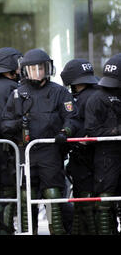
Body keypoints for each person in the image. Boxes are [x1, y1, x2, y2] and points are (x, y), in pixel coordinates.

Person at [1, 48, 80, 235]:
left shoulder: (59, 92)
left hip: (50, 151)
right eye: (33, 69)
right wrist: (18, 124)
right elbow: (4, 124)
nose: (38, 72)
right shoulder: (17, 94)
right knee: (25, 195)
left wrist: (64, 132)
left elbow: (72, 118)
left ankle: (56, 230)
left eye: (41, 68)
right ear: (26, 71)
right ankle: (30, 231)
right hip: (25, 151)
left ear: (48, 69)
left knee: (52, 194)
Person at [0, 47, 23, 235]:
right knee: (8, 191)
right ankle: (5, 229)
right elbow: (5, 122)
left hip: (1, 148)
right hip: (7, 149)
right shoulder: (6, 88)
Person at [60, 58, 99, 235]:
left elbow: (78, 126)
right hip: (101, 159)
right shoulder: (100, 93)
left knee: (85, 204)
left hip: (84, 158)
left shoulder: (80, 100)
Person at [85, 53, 121, 235]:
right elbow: (92, 130)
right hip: (106, 156)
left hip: (109, 156)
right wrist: (115, 132)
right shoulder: (97, 99)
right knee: (105, 202)